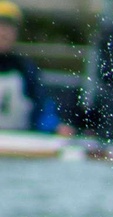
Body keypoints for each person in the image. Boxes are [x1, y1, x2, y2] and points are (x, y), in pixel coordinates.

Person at [0, 1, 72, 134]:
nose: (4, 33)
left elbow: (42, 109)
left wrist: (55, 127)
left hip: (19, 142)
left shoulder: (25, 69)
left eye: (9, 28)